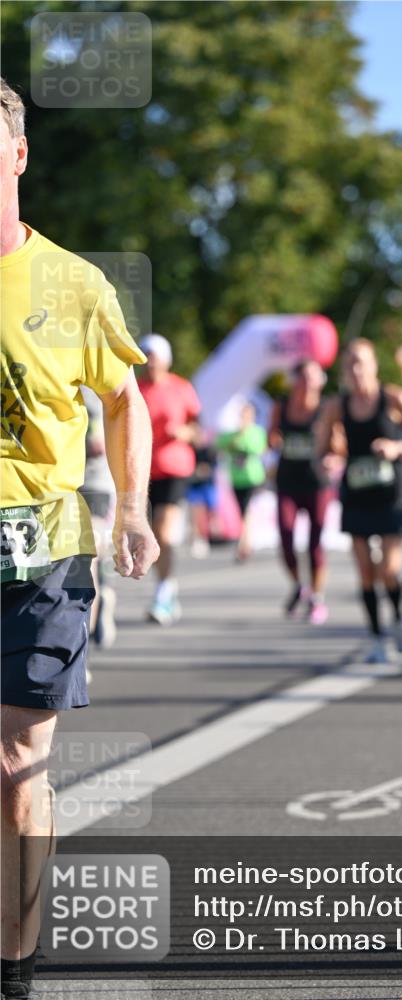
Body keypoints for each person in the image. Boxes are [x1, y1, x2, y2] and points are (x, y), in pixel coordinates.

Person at [0, 78, 159, 1000]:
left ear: (18, 155)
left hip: (45, 552)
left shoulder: (73, 283)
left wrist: (131, 508)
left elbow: (123, 396)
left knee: (20, 761)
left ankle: (15, 965)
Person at [318, 339, 402, 663]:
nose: (356, 370)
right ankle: (375, 636)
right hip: (356, 493)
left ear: (374, 366)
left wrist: (397, 449)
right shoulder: (336, 407)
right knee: (366, 570)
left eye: (362, 363)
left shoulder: (394, 398)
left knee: (390, 569)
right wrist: (328, 461)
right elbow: (322, 451)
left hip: (391, 495)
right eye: (350, 364)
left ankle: (398, 619)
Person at [137, 333, 201, 624]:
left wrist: (184, 433)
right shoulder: (135, 389)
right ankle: (166, 586)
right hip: (142, 470)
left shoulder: (181, 388)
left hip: (175, 468)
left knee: (163, 532)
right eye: (145, 355)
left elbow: (199, 430)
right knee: (148, 537)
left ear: (166, 360)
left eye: (155, 356)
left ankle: (164, 592)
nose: (150, 361)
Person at [269, 360, 335, 623]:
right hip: (288, 481)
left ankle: (317, 597)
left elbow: (338, 445)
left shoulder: (326, 409)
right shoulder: (282, 406)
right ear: (295, 381)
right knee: (286, 536)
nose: (307, 382)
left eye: (312, 377)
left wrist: (332, 456)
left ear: (321, 381)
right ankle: (299, 585)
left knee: (315, 543)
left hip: (317, 483)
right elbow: (271, 436)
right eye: (302, 377)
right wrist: (274, 442)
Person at [80, 386, 118, 649]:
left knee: (86, 556)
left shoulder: (91, 388)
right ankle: (103, 593)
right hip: (55, 483)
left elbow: (98, 444)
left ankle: (81, 653)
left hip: (93, 481)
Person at [217, 401, 267, 562]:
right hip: (236, 478)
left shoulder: (257, 432)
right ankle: (245, 542)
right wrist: (234, 441)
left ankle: (244, 544)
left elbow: (259, 448)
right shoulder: (233, 434)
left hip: (252, 477)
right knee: (242, 512)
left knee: (247, 511)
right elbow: (219, 444)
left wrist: (242, 440)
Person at [186, 429, 219, 559]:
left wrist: (204, 471)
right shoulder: (190, 450)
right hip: (194, 486)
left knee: (211, 512)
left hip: (207, 485)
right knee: (195, 513)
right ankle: (198, 539)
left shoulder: (209, 450)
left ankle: (211, 536)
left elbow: (212, 468)